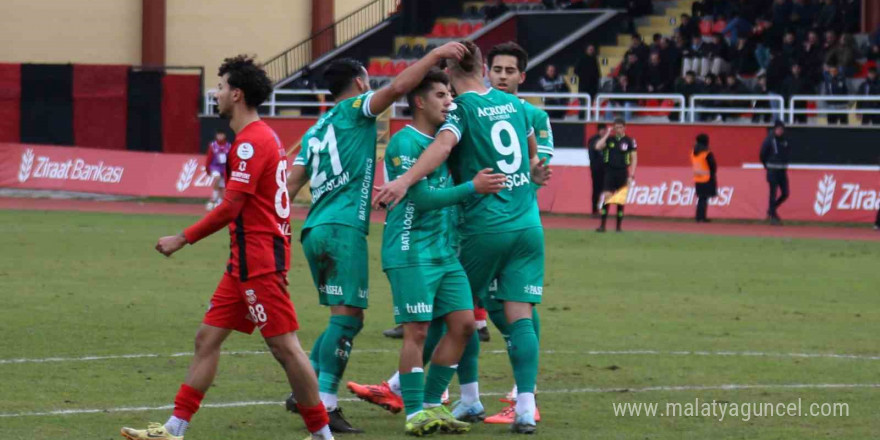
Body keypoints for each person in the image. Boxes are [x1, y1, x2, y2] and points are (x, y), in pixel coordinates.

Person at [120, 55, 334, 440]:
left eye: (220, 88)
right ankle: (175, 427)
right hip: (243, 263)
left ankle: (322, 433)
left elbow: (231, 206)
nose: (215, 94)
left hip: (259, 263)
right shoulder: (261, 138)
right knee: (207, 338)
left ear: (236, 94)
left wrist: (181, 238)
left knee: (286, 348)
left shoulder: (252, 143)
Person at [352, 42, 554, 428]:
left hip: (484, 226)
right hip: (528, 223)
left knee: (450, 316)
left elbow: (443, 146)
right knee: (517, 314)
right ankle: (523, 405)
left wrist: (405, 181)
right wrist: (531, 173)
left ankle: (417, 393)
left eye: (446, 88)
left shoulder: (461, 109)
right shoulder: (516, 105)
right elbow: (532, 154)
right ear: (483, 67)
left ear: (451, 70)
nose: (446, 98)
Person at [283, 43, 469, 433]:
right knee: (348, 319)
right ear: (359, 82)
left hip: (316, 227)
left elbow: (290, 182)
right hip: (343, 228)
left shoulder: (317, 128)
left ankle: (308, 387)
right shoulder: (355, 110)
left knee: (343, 316)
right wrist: (435, 56)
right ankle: (325, 405)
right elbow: (401, 86)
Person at [381, 68, 506, 436]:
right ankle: (415, 411)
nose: (450, 101)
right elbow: (419, 198)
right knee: (417, 331)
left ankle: (433, 403)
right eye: (440, 95)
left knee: (464, 325)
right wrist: (473, 187)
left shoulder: (445, 141)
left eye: (451, 94)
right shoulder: (404, 144)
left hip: (444, 252)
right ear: (419, 101)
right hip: (410, 250)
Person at [595, 118, 637, 233]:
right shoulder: (609, 140)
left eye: (620, 127)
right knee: (607, 197)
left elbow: (634, 159)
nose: (618, 129)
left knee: (620, 200)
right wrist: (607, 133)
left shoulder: (629, 141)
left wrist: (631, 175)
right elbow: (598, 146)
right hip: (610, 171)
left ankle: (618, 227)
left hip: (623, 172)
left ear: (624, 128)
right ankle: (602, 225)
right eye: (616, 127)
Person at [760, 120, 791, 226]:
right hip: (772, 170)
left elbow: (787, 152)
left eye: (782, 129)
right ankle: (773, 216)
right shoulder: (769, 140)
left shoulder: (785, 140)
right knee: (773, 193)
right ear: (775, 129)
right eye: (778, 129)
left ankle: (771, 209)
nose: (780, 131)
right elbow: (762, 153)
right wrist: (767, 165)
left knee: (785, 193)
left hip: (782, 170)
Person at [692, 133, 717, 223]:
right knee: (704, 199)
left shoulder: (693, 152)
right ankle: (702, 217)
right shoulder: (707, 152)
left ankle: (699, 216)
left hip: (697, 177)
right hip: (706, 178)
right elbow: (713, 165)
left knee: (700, 198)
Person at [204, 129, 232, 210]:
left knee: (222, 186)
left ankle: (219, 202)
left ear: (224, 136)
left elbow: (231, 159)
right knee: (217, 178)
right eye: (218, 135)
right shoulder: (213, 145)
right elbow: (209, 158)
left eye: (221, 135)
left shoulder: (229, 146)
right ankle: (214, 197)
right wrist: (207, 169)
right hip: (214, 167)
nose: (220, 136)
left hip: (224, 168)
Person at [587, 123, 608, 216]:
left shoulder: (608, 140)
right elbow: (595, 150)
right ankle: (594, 209)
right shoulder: (593, 140)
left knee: (605, 189)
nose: (604, 131)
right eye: (602, 130)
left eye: (605, 130)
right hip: (596, 169)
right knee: (597, 189)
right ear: (599, 130)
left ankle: (603, 208)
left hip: (606, 168)